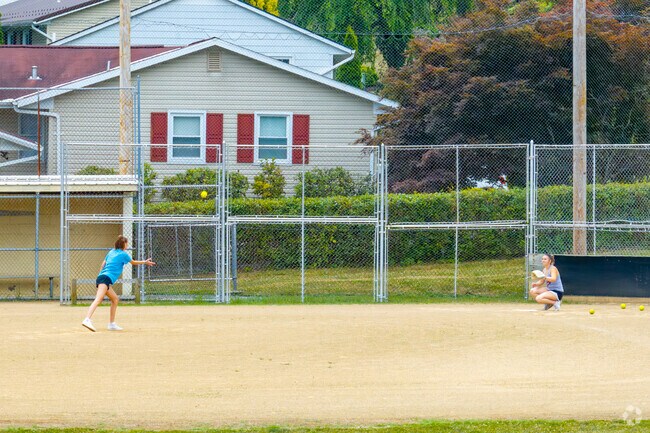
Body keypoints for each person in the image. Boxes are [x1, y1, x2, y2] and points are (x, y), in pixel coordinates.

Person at [82, 235, 155, 332]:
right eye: (126, 243)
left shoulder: (111, 251)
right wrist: (144, 262)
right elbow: (133, 262)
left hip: (102, 277)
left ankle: (111, 324)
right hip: (105, 279)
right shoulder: (123, 254)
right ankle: (87, 319)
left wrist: (100, 275)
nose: (127, 245)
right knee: (98, 299)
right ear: (123, 244)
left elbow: (103, 264)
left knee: (115, 299)